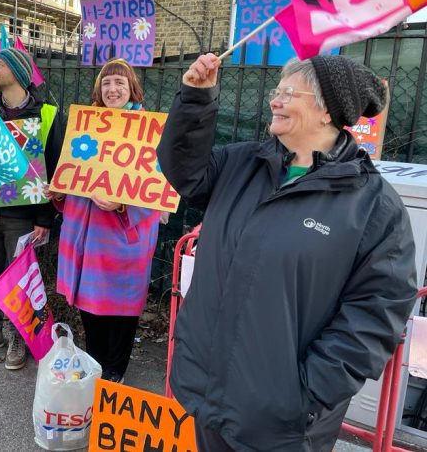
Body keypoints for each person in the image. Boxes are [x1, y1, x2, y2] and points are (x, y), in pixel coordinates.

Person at [156, 53, 418, 452]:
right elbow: (185, 168)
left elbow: (376, 311)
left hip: (283, 424)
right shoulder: (242, 163)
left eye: (288, 92)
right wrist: (196, 96)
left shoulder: (373, 206)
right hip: (208, 392)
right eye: (276, 91)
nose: (274, 101)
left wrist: (305, 393)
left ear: (328, 111)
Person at [44, 58, 162, 384]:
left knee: (121, 313)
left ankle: (115, 373)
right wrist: (58, 192)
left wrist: (123, 204)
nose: (112, 89)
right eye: (106, 83)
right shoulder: (85, 125)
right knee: (91, 307)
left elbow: (159, 188)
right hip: (85, 238)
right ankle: (95, 368)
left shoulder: (148, 131)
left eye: (119, 83)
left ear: (132, 89)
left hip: (124, 241)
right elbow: (74, 181)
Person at [0, 47, 62, 371]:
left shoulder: (47, 113)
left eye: (0, 64)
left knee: (19, 277)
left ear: (19, 72)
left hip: (23, 214)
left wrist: (44, 218)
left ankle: (17, 335)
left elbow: (55, 168)